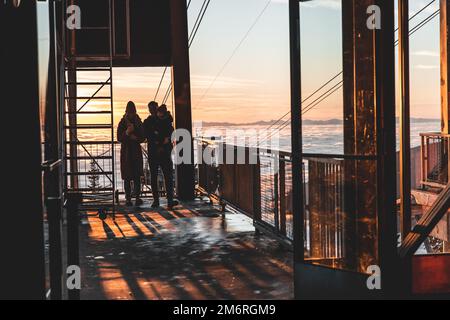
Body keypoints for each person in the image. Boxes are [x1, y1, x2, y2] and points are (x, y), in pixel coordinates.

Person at [144, 103, 178, 209]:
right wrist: (163, 142)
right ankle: (168, 200)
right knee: (166, 176)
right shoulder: (164, 121)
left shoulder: (150, 122)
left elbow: (147, 134)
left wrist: (157, 140)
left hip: (155, 152)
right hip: (163, 152)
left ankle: (158, 200)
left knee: (157, 176)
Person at [117, 101, 145, 207]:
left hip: (130, 152)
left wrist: (132, 136)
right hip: (128, 152)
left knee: (136, 176)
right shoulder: (126, 122)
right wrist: (128, 134)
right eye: (130, 112)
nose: (131, 114)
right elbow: (119, 137)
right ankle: (129, 198)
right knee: (128, 177)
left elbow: (142, 136)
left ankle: (136, 197)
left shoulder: (134, 122)